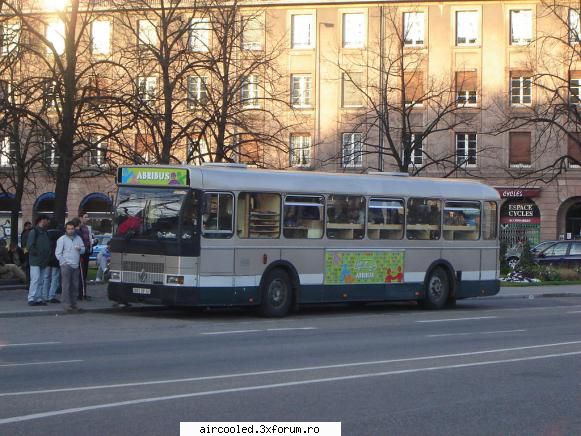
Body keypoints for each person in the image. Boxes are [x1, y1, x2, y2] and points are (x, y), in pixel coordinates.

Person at [55, 221, 85, 313]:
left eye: (72, 229)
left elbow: (83, 250)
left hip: (75, 264)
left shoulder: (78, 238)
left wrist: (80, 249)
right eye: (69, 229)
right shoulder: (62, 239)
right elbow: (58, 253)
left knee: (75, 285)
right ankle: (66, 304)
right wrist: (63, 263)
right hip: (66, 265)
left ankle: (74, 303)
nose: (71, 230)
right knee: (66, 285)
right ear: (66, 229)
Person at [26, 215, 51, 306]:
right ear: (42, 220)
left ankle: (38, 298)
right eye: (47, 220)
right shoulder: (34, 232)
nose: (48, 222)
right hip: (36, 260)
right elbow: (30, 246)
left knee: (40, 280)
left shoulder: (45, 232)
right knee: (35, 279)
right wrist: (38, 254)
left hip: (43, 260)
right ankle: (31, 298)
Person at [45, 223, 64, 303]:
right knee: (55, 278)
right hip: (56, 258)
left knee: (46, 277)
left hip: (47, 258)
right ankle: (51, 296)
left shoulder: (46, 234)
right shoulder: (61, 235)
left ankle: (44, 295)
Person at [76, 213, 92, 301]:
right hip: (82, 253)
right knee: (81, 274)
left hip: (87, 252)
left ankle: (83, 292)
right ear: (80, 218)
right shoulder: (79, 229)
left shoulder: (87, 228)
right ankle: (81, 293)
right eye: (85, 217)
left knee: (84, 274)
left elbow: (88, 239)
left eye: (87, 217)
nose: (87, 219)